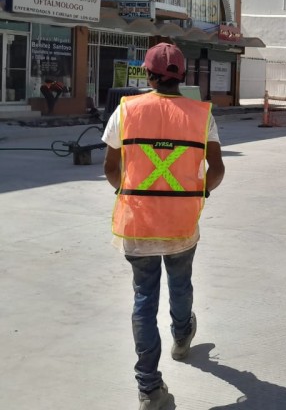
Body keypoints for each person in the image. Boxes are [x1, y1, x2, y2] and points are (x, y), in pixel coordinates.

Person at [102, 42, 225, 410]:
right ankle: (182, 335)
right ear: (183, 76)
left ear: (147, 74)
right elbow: (216, 170)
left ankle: (149, 389)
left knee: (143, 300)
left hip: (137, 224)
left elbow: (111, 168)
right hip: (181, 224)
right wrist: (197, 193)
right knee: (181, 282)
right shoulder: (202, 115)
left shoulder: (126, 111)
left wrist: (131, 193)